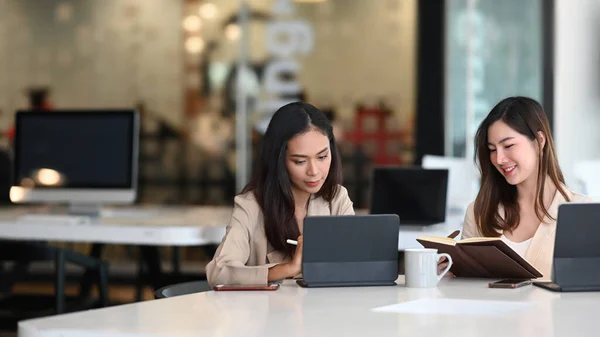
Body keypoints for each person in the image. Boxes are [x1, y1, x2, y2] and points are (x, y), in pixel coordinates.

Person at [438, 96, 592, 280]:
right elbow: (468, 290)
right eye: (492, 149)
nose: (499, 159)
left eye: (508, 145)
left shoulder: (583, 213)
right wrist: (449, 273)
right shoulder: (479, 211)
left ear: (539, 140)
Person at [206, 102, 354, 286]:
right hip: (265, 313)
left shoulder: (336, 199)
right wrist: (289, 268)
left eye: (322, 157)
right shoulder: (251, 206)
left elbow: (354, 265)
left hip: (324, 311)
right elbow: (218, 272)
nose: (314, 171)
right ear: (278, 160)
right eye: (300, 161)